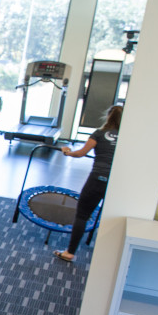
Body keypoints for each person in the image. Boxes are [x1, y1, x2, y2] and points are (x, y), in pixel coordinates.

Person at [53, 104, 123, 263]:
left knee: (82, 215)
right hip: (115, 183)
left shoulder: (100, 134)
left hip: (97, 179)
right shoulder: (127, 137)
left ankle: (70, 252)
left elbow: (81, 153)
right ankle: (110, 257)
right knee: (112, 218)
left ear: (108, 116)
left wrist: (67, 151)